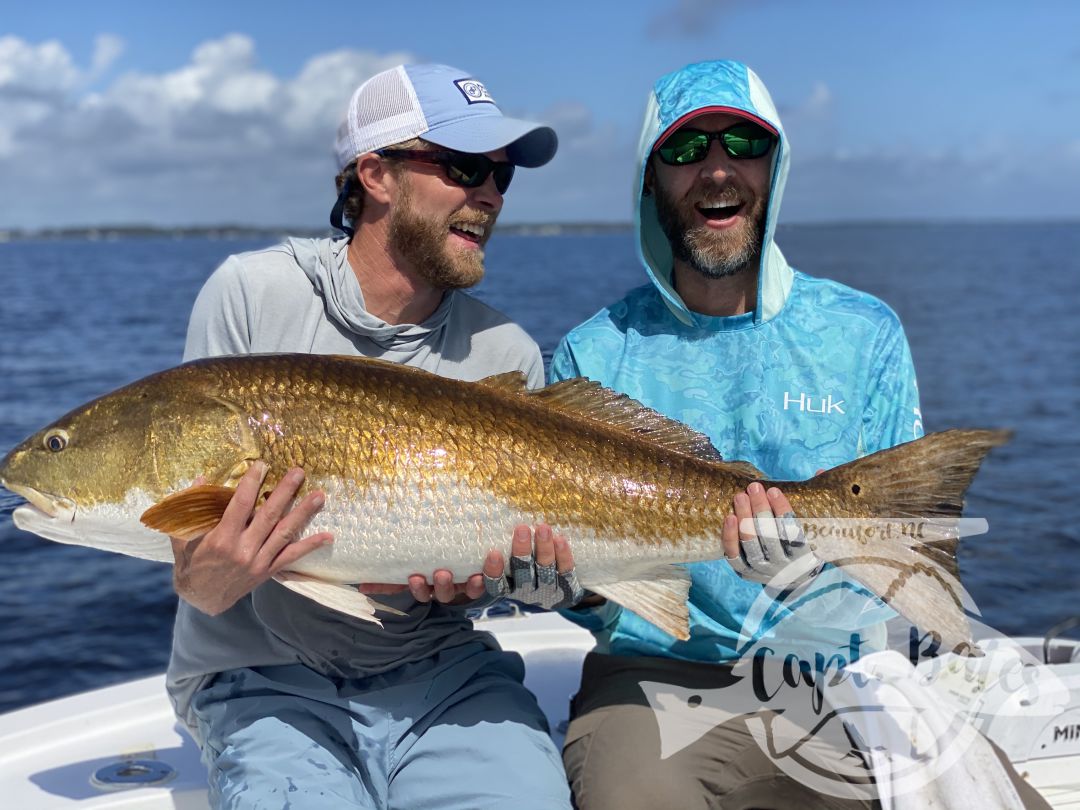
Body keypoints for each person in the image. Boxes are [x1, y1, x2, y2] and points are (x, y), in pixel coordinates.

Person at [519, 59, 1050, 809]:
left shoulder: (864, 334)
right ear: (649, 180)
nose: (715, 171)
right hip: (655, 682)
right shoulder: (594, 353)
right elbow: (597, 593)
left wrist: (809, 581)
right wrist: (558, 585)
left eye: (742, 143)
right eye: (683, 151)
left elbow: (906, 569)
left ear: (776, 166)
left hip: (838, 681)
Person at [166, 63, 574, 810]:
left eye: (502, 176)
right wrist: (209, 578)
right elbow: (196, 570)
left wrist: (529, 585)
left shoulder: (506, 350)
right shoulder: (252, 295)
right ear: (375, 174)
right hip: (261, 679)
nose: (489, 193)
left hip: (443, 675)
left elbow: (527, 578)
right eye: (464, 167)